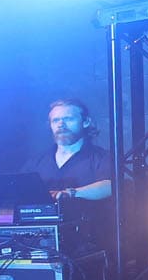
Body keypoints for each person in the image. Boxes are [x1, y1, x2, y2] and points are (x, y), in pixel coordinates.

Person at [27, 97, 114, 257]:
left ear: (86, 122)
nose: (61, 124)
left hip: (89, 246)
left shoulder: (102, 157)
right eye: (56, 120)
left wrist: (71, 193)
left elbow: (111, 186)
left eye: (68, 119)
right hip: (41, 246)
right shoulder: (36, 162)